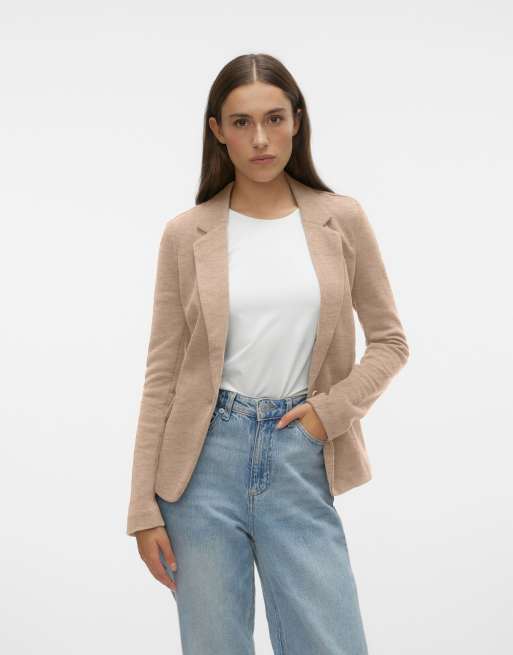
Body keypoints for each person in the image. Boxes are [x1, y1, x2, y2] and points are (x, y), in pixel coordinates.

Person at [126, 52, 409, 654]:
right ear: (217, 131)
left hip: (298, 453)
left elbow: (390, 341)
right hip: (201, 466)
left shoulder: (341, 219)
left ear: (297, 122)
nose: (260, 139)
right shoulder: (186, 234)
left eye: (274, 119)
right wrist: (142, 509)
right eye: (242, 122)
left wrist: (326, 414)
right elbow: (162, 375)